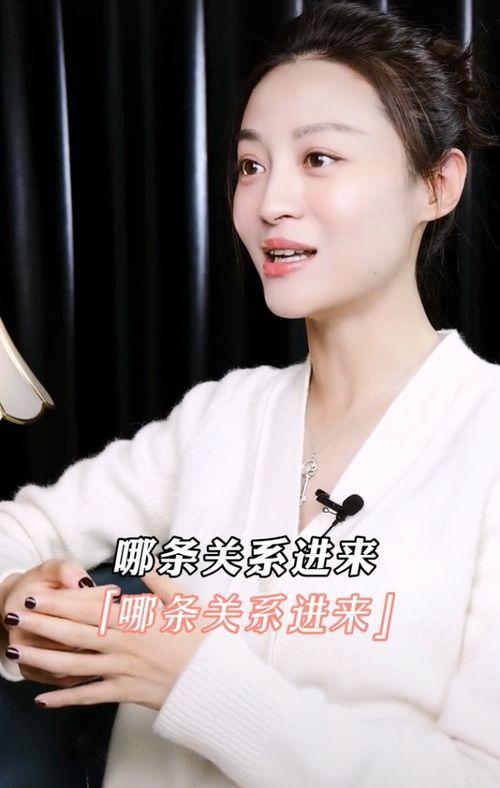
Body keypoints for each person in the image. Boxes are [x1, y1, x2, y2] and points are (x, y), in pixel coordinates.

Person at [1, 1, 500, 785]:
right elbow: (19, 530)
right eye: (249, 166)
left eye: (319, 158)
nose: (269, 204)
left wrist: (192, 681)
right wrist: (21, 600)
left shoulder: (486, 439)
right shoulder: (220, 418)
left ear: (437, 185)